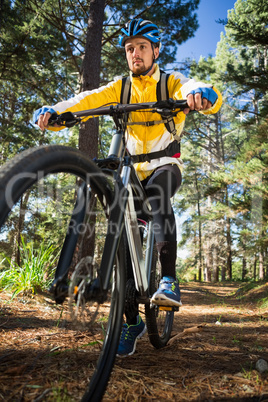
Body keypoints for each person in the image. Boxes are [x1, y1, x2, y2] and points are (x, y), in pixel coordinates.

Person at [34, 18, 222, 357]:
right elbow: (87, 99)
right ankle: (131, 319)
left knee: (160, 199)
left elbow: (196, 85)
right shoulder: (121, 87)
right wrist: (57, 112)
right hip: (132, 170)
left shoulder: (171, 83)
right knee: (123, 231)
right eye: (129, 48)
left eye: (141, 47)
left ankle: (168, 280)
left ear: (156, 51)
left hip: (165, 165)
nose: (135, 54)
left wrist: (201, 94)